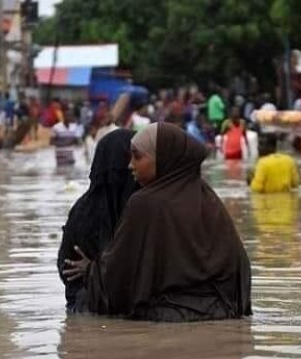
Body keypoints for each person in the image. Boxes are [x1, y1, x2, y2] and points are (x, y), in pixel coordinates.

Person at [63, 123, 252, 322]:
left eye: (137, 156)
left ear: (163, 159)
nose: (130, 165)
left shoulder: (144, 203)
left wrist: (90, 271)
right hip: (224, 313)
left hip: (167, 318)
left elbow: (120, 277)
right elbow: (240, 267)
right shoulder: (209, 199)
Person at [57, 129, 137, 311]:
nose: (133, 166)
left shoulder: (81, 209)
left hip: (85, 309)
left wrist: (93, 271)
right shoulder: (139, 205)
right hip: (97, 307)